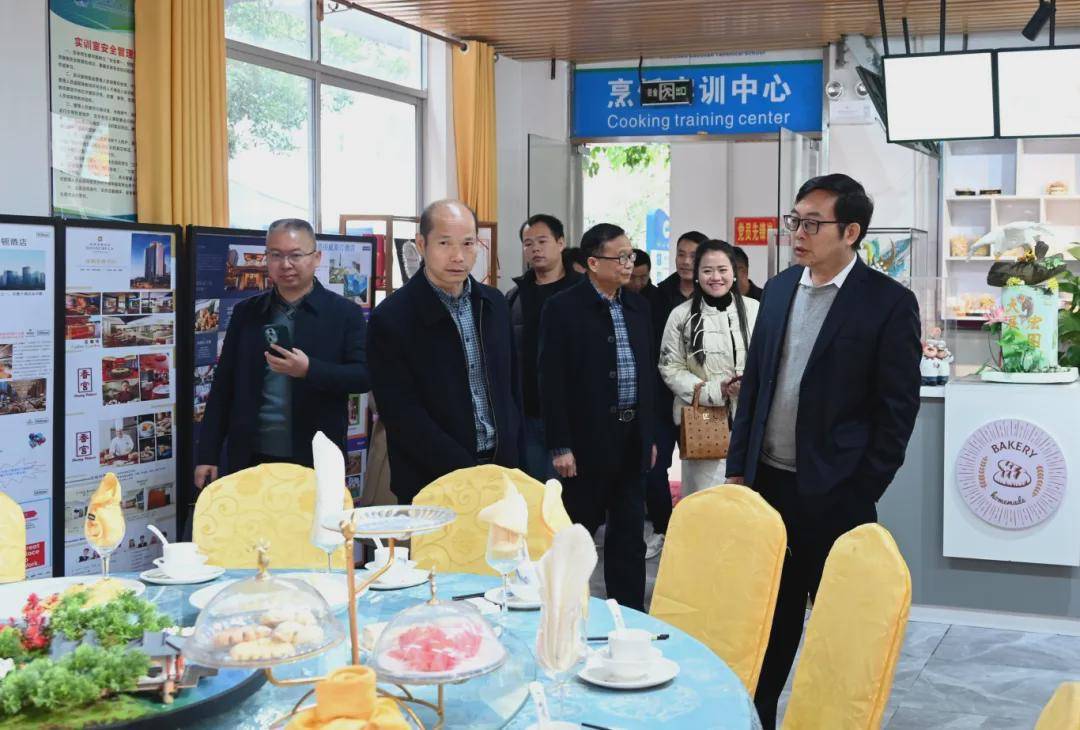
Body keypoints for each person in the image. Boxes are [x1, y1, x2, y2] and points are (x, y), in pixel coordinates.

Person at [725, 174, 921, 729]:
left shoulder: (887, 303)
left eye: (813, 224)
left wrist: (860, 488)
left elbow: (896, 411)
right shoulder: (780, 288)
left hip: (836, 494)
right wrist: (739, 470)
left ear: (850, 232)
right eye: (795, 220)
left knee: (839, 628)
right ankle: (756, 718)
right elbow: (756, 383)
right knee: (766, 621)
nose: (798, 233)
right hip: (768, 486)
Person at [195, 218, 370, 488]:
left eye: (295, 255)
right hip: (250, 455)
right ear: (266, 259)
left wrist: (309, 369)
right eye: (276, 255)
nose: (285, 264)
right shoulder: (247, 312)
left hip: (315, 456)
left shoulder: (344, 313)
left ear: (316, 258)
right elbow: (223, 385)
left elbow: (363, 376)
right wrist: (208, 453)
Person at [368, 199, 520, 504]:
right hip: (431, 480)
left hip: (499, 471)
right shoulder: (391, 317)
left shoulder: (493, 304)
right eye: (444, 243)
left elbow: (512, 390)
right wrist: (465, 471)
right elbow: (401, 414)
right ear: (421, 245)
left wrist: (514, 461)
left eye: (468, 243)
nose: (458, 256)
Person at [539, 223, 655, 611]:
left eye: (630, 255)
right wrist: (560, 445)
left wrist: (649, 436)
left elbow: (647, 377)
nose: (628, 263)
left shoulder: (638, 306)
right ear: (592, 263)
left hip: (631, 438)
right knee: (576, 534)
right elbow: (551, 381)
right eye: (620, 256)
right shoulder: (562, 308)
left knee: (629, 537)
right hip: (585, 443)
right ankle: (565, 611)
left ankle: (630, 616)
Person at [659, 240, 758, 495]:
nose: (716, 277)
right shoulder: (681, 316)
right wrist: (715, 390)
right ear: (697, 275)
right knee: (708, 498)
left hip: (750, 421)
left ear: (734, 272)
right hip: (704, 423)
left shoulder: (755, 310)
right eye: (707, 270)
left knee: (748, 500)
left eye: (722, 270)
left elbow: (769, 359)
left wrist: (750, 383)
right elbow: (670, 367)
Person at [644, 230, 708, 559]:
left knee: (701, 468)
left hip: (700, 399)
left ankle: (697, 533)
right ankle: (662, 528)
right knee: (655, 468)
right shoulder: (657, 296)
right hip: (660, 398)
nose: (685, 261)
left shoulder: (714, 296)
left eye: (693, 256)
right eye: (680, 254)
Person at [507, 214, 582, 481]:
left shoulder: (583, 292)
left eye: (542, 241)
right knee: (534, 492)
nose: (535, 249)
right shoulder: (515, 297)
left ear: (560, 243)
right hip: (528, 414)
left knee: (571, 497)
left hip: (575, 416)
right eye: (528, 244)